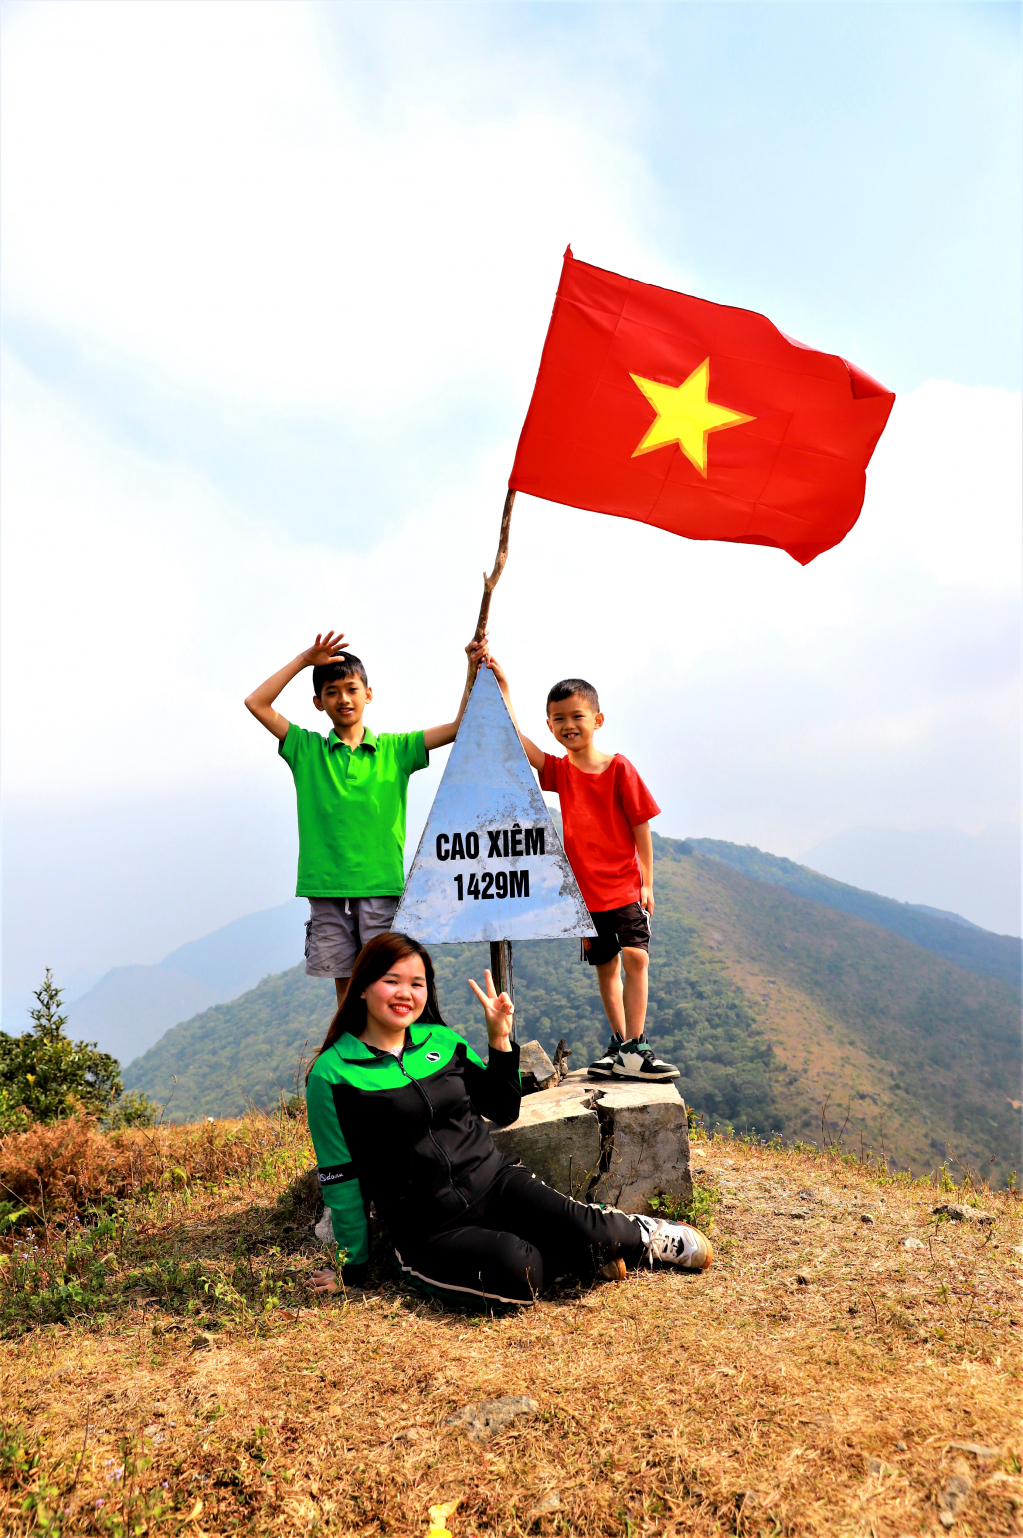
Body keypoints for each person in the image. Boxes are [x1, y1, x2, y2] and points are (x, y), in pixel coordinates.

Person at [304, 932, 712, 1308]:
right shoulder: (332, 1074)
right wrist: (351, 1268)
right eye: (391, 981)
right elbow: (340, 1178)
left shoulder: (442, 1042)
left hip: (497, 1183)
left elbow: (502, 1107)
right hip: (430, 1229)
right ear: (360, 987)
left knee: (592, 1230)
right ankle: (579, 1254)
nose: (406, 994)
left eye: (417, 983)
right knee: (522, 1274)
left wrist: (499, 1039)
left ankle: (640, 1235)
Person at [245, 631, 485, 1006]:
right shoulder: (307, 750)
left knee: (385, 980)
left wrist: (471, 668)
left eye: (352, 689)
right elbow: (256, 702)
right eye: (332, 691)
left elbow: (459, 727)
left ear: (368, 694)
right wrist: (304, 660)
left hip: (380, 886)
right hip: (327, 888)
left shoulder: (396, 749)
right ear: (318, 702)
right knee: (346, 986)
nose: (343, 698)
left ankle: (388, 1051)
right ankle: (354, 1054)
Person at [482, 659, 679, 1083]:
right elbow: (522, 744)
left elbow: (640, 825)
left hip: (624, 886)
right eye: (559, 719)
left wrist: (647, 880)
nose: (568, 725)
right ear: (550, 726)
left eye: (577, 716)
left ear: (598, 719)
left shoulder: (619, 769)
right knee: (607, 967)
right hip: (584, 895)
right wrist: (504, 689)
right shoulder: (562, 772)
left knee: (636, 958)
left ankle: (637, 1045)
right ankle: (619, 1044)